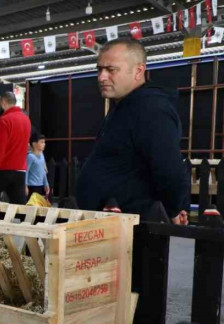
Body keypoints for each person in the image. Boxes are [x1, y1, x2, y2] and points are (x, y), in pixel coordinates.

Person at [76, 37, 189, 224]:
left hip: (135, 229)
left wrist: (172, 209)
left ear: (138, 71)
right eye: (99, 69)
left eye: (111, 70)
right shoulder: (125, 107)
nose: (101, 77)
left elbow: (170, 168)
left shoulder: (151, 109)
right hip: (112, 225)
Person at [0, 92, 31, 204]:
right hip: (20, 170)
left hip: (3, 170)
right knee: (20, 208)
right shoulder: (26, 120)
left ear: (3, 103)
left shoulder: (3, 121)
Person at [25, 131, 49, 199]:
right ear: (34, 144)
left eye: (44, 142)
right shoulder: (30, 156)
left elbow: (43, 171)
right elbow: (26, 172)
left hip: (40, 185)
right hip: (31, 186)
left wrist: (46, 183)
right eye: (41, 142)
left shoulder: (42, 155)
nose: (44, 144)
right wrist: (25, 186)